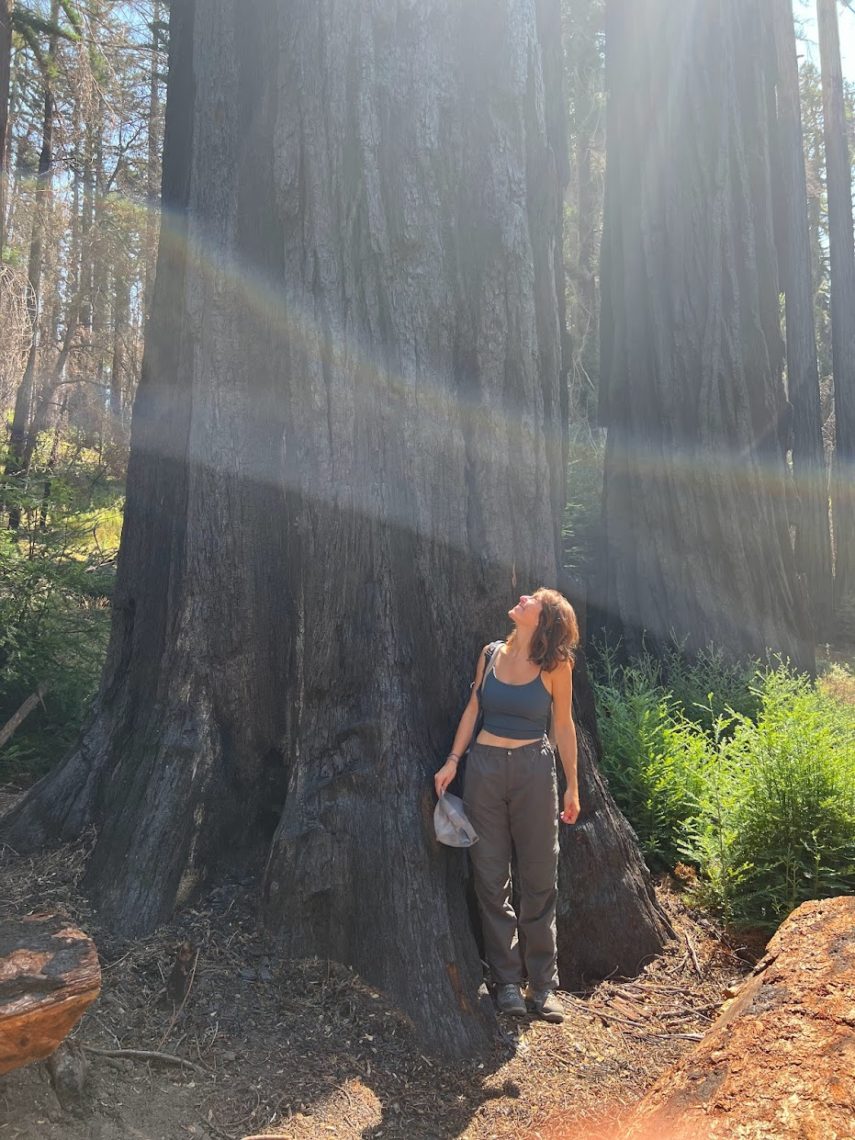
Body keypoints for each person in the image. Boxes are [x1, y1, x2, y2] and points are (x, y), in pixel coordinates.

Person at [435, 588, 580, 1024]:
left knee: (539, 875)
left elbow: (564, 724)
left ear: (546, 619)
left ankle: (543, 985)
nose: (523, 598)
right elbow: (473, 708)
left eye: (534, 598)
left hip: (535, 771)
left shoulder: (556, 666)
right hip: (484, 770)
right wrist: (453, 760)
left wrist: (572, 786)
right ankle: (507, 983)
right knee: (490, 875)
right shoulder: (491, 654)